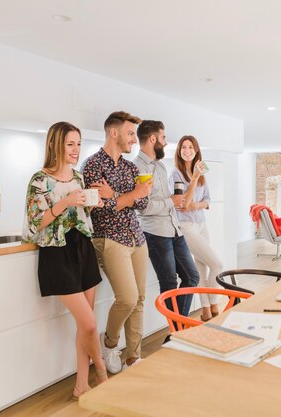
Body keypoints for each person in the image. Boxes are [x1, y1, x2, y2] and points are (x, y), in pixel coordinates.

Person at [22, 121, 107, 400]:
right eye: (70, 144)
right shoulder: (39, 180)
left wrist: (91, 204)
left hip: (82, 247)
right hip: (57, 253)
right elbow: (36, 223)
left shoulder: (79, 177)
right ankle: (103, 376)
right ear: (54, 144)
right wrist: (66, 202)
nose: (75, 149)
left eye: (78, 143)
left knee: (86, 325)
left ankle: (81, 384)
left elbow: (82, 215)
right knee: (91, 325)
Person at [82, 111, 153, 374]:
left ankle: (133, 357)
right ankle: (110, 343)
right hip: (109, 238)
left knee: (140, 298)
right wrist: (129, 196)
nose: (134, 140)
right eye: (131, 133)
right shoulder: (92, 166)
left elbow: (143, 203)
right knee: (128, 297)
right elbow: (98, 208)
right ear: (114, 133)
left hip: (136, 236)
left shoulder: (130, 167)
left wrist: (118, 196)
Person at [134, 120, 199, 318]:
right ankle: (177, 329)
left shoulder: (161, 166)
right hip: (156, 233)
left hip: (174, 229)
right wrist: (171, 201)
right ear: (153, 139)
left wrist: (175, 201)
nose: (165, 142)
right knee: (169, 283)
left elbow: (165, 200)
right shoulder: (137, 168)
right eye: (163, 138)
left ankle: (180, 325)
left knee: (191, 276)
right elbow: (143, 208)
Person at [171, 135, 223, 321]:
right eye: (183, 147)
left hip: (202, 224)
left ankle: (205, 310)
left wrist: (195, 205)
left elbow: (208, 200)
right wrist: (193, 179)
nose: (187, 150)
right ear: (179, 151)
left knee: (203, 268)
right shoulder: (176, 174)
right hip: (186, 227)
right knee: (218, 264)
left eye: (190, 147)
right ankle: (214, 303)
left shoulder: (201, 171)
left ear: (196, 150)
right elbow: (183, 204)